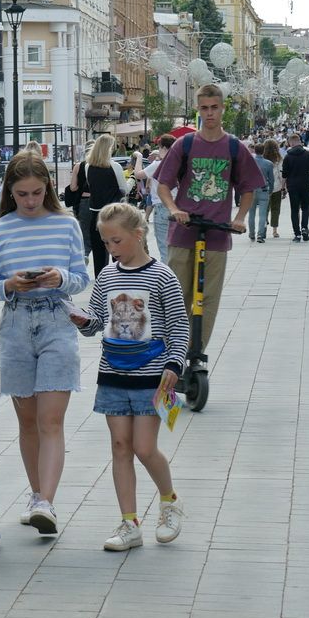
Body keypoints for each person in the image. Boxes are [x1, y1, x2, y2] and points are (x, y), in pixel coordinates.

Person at [0, 150, 89, 535]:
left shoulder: (66, 224)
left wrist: (59, 277)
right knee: (27, 421)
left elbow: (81, 277)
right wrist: (10, 284)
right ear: (11, 191)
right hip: (15, 323)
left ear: (48, 189)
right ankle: (36, 493)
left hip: (57, 318)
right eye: (22, 193)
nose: (29, 200)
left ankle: (46, 502)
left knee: (51, 418)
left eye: (37, 193)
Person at [71, 203, 188, 551]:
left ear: (138, 235)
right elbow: (96, 321)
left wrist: (174, 364)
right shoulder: (107, 276)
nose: (111, 249)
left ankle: (169, 501)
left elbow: (180, 325)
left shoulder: (162, 276)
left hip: (153, 378)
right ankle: (129, 523)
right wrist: (80, 319)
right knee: (121, 447)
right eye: (106, 243)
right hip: (113, 374)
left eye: (116, 241)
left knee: (144, 447)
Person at [155, 84, 264, 355]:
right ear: (198, 110)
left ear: (222, 108)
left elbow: (248, 188)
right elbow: (163, 186)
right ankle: (173, 353)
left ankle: (195, 353)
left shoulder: (234, 147)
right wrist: (173, 209)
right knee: (177, 297)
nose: (210, 113)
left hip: (216, 234)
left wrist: (239, 218)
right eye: (204, 108)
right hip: (183, 232)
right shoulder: (186, 144)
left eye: (214, 107)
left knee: (208, 299)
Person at [71, 134, 130, 279]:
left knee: (99, 254)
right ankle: (119, 279)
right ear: (109, 149)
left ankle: (101, 282)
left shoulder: (88, 167)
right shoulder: (114, 166)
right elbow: (124, 189)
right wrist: (133, 179)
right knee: (117, 250)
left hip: (96, 214)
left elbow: (92, 188)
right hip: (114, 213)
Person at [134, 135, 177, 258]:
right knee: (175, 249)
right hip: (177, 207)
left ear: (163, 147)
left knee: (164, 250)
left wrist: (139, 157)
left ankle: (167, 276)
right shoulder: (179, 163)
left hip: (161, 206)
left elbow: (138, 174)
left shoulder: (158, 164)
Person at [281, 134, 309, 242]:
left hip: (292, 186)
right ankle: (304, 227)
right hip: (306, 184)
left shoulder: (288, 157)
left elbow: (284, 174)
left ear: (292, 142)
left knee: (294, 210)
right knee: (305, 208)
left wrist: (283, 188)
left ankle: (297, 234)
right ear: (300, 141)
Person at [248, 144, 274, 244]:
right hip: (263, 189)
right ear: (263, 151)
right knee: (262, 214)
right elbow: (271, 179)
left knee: (251, 213)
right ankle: (260, 234)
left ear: (255, 150)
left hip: (251, 189)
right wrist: (271, 190)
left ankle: (251, 233)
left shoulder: (250, 162)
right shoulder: (268, 163)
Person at [263, 139, 284, 239]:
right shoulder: (278, 159)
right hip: (276, 187)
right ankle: (275, 231)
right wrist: (284, 186)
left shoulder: (262, 158)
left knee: (264, 209)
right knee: (276, 209)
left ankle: (263, 228)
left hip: (264, 187)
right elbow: (281, 174)